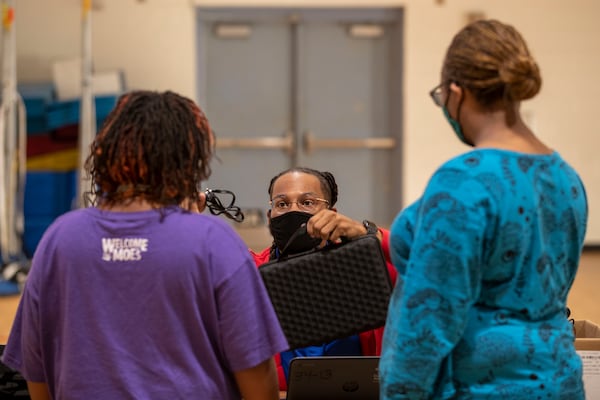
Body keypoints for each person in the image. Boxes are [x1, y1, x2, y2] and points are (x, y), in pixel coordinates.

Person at [1, 90, 288, 400]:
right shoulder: (214, 241)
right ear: (189, 159)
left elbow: (38, 376)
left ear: (105, 153)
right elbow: (258, 383)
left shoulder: (59, 239)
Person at [379, 19, 588, 399]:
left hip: (481, 387)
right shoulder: (566, 178)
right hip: (559, 381)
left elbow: (428, 323)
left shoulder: (463, 182)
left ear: (456, 91)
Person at [251, 166, 398, 391]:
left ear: (332, 211)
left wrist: (369, 235)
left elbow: (426, 264)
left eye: (307, 202)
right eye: (281, 204)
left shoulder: (367, 264)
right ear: (270, 216)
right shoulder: (253, 272)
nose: (293, 211)